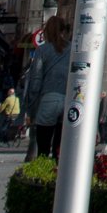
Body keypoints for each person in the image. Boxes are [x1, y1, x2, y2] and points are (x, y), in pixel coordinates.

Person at [23, 22, 71, 162]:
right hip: (68, 100)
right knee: (59, 150)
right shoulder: (73, 50)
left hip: (49, 98)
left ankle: (42, 177)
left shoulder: (43, 50)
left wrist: (31, 111)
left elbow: (35, 82)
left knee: (43, 150)